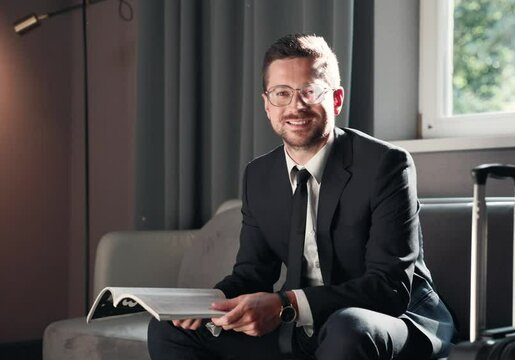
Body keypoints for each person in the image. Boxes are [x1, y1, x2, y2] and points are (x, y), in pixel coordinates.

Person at [147, 33, 455, 360]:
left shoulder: (386, 165)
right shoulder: (259, 175)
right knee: (169, 329)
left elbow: (388, 288)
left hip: (393, 319)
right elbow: (253, 274)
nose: (296, 105)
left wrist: (285, 305)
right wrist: (205, 305)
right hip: (301, 324)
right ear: (267, 105)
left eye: (310, 91)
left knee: (348, 327)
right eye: (282, 93)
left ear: (336, 99)